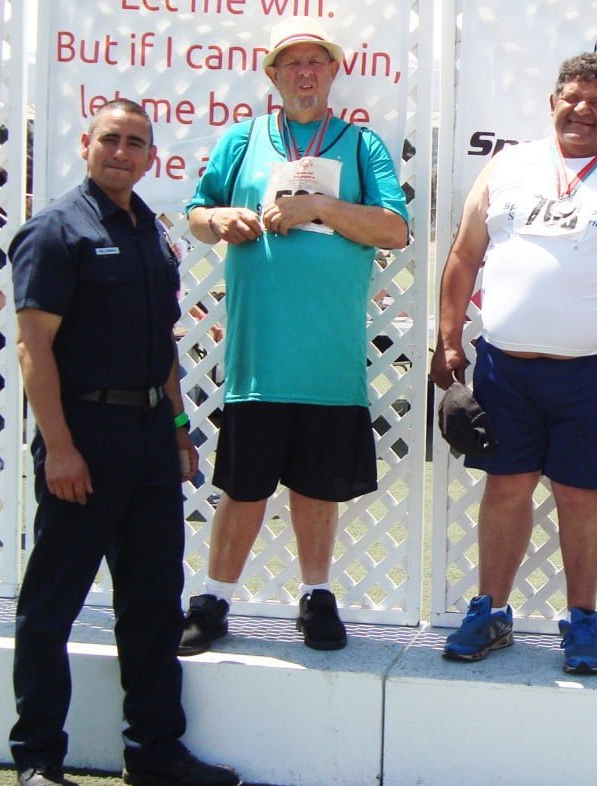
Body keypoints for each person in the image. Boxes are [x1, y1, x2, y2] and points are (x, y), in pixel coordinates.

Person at [8, 99, 239, 786]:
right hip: (85, 438)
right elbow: (33, 349)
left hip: (148, 439)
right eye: (111, 138)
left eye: (136, 142)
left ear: (150, 157)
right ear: (87, 143)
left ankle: (154, 753)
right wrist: (60, 448)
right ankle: (38, 758)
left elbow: (160, 343)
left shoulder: (150, 233)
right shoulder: (56, 231)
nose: (122, 151)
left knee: (153, 604)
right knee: (52, 605)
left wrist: (178, 430)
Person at [430, 52, 597, 674]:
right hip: (505, 367)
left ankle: (583, 620)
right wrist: (448, 338)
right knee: (505, 487)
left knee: (582, 495)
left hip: (596, 369)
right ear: (552, 103)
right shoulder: (506, 167)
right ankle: (490, 611)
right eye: (572, 97)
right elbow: (463, 256)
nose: (582, 110)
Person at [179, 17, 409, 654]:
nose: (305, 73)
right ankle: (214, 599)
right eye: (292, 63)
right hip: (259, 358)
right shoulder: (243, 139)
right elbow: (196, 213)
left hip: (328, 361)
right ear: (274, 75)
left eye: (316, 62)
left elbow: (394, 230)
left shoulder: (360, 146)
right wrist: (219, 218)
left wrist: (318, 207)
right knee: (243, 487)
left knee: (316, 488)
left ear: (333, 72)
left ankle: (316, 595)